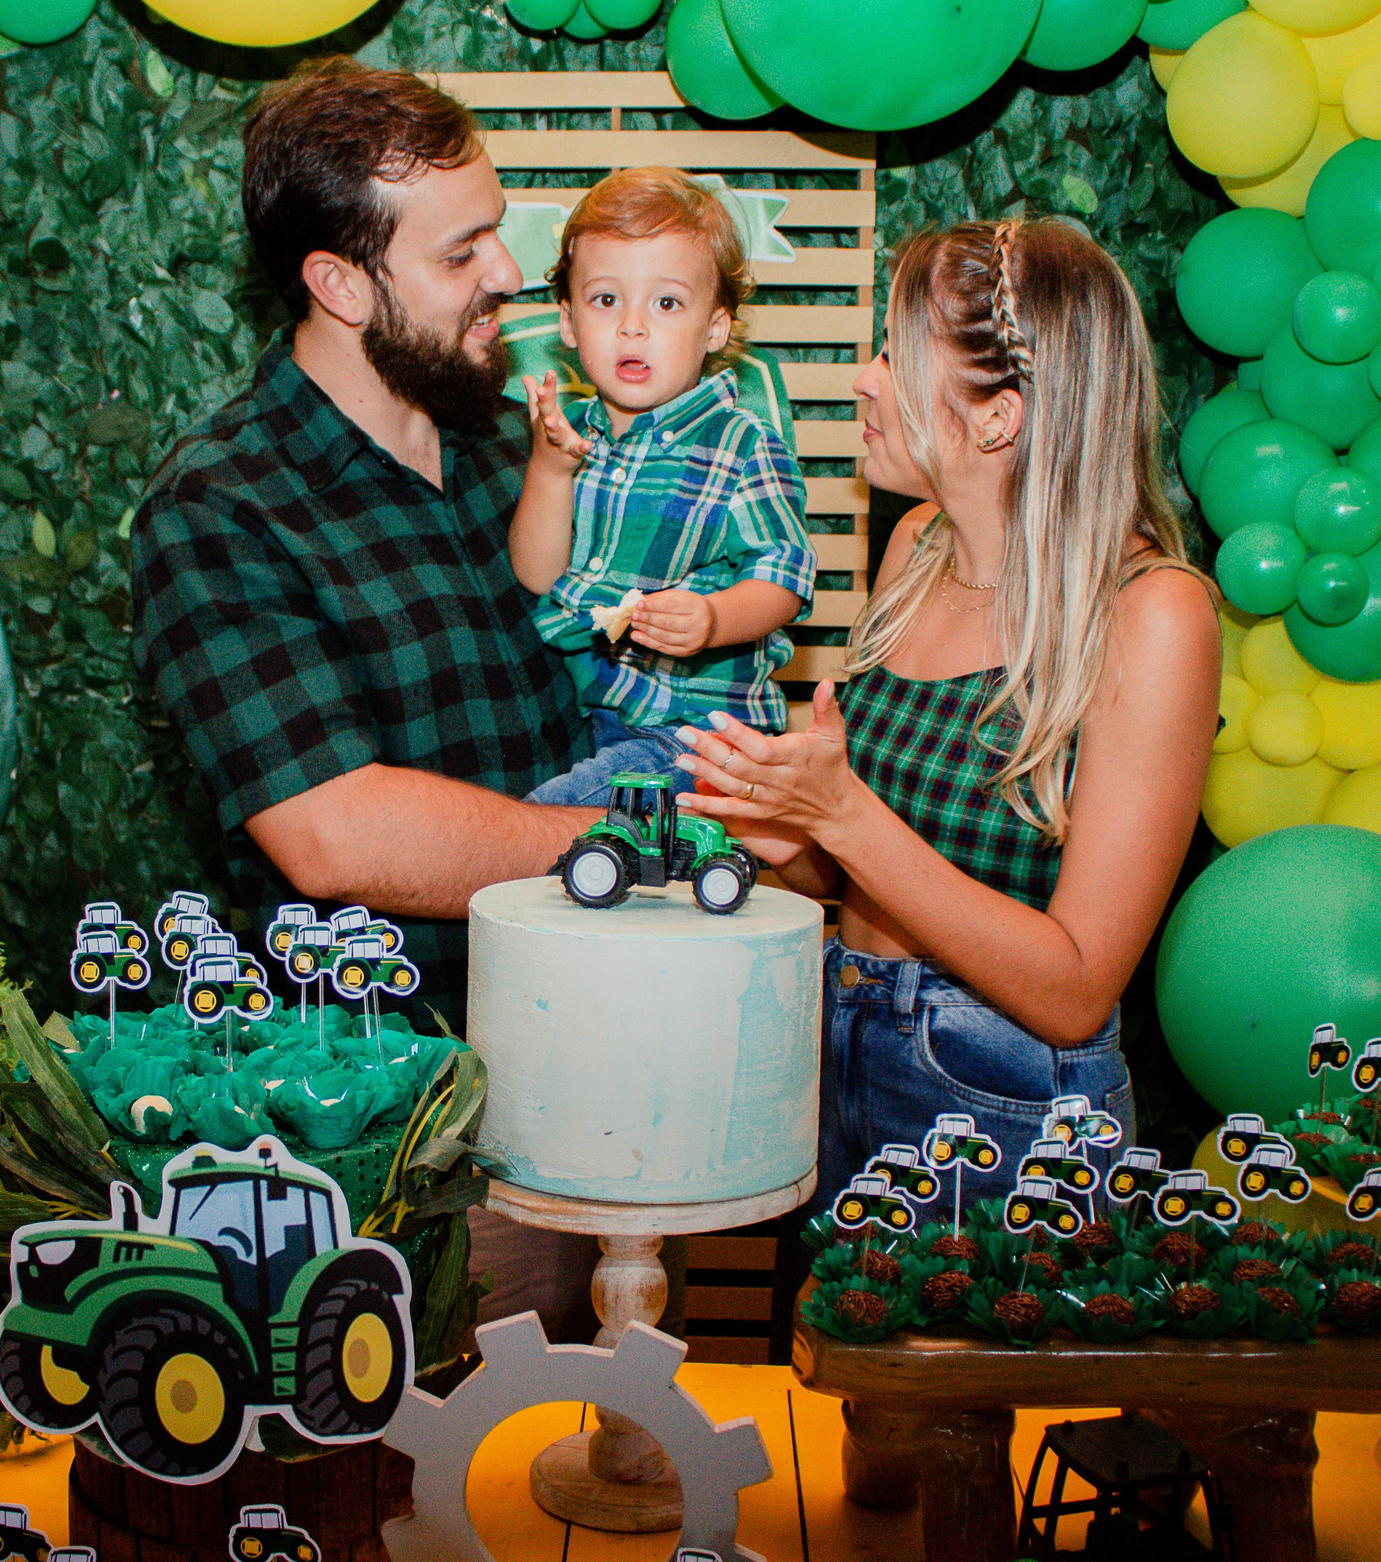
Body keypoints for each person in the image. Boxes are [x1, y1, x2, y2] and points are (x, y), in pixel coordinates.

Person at [671, 216, 1220, 1202]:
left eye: (894, 353)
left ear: (997, 417)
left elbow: (1073, 987)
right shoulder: (916, 545)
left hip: (1003, 1109)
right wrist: (773, 826)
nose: (864, 380)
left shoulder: (1152, 614)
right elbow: (861, 883)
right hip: (834, 1048)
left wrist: (840, 814)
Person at [129, 59, 598, 1021]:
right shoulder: (221, 507)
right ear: (340, 285)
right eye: (460, 253)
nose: (507, 274)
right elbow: (335, 832)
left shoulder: (520, 446)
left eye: (496, 232)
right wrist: (632, 840)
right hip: (390, 1087)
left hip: (601, 1017)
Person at [508, 167, 817, 805]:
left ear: (714, 328)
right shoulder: (573, 434)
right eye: (606, 300)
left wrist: (712, 619)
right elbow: (539, 575)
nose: (633, 327)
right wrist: (548, 469)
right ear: (568, 323)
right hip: (601, 716)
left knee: (544, 823)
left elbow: (785, 578)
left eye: (667, 303)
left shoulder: (740, 443)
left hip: (701, 735)